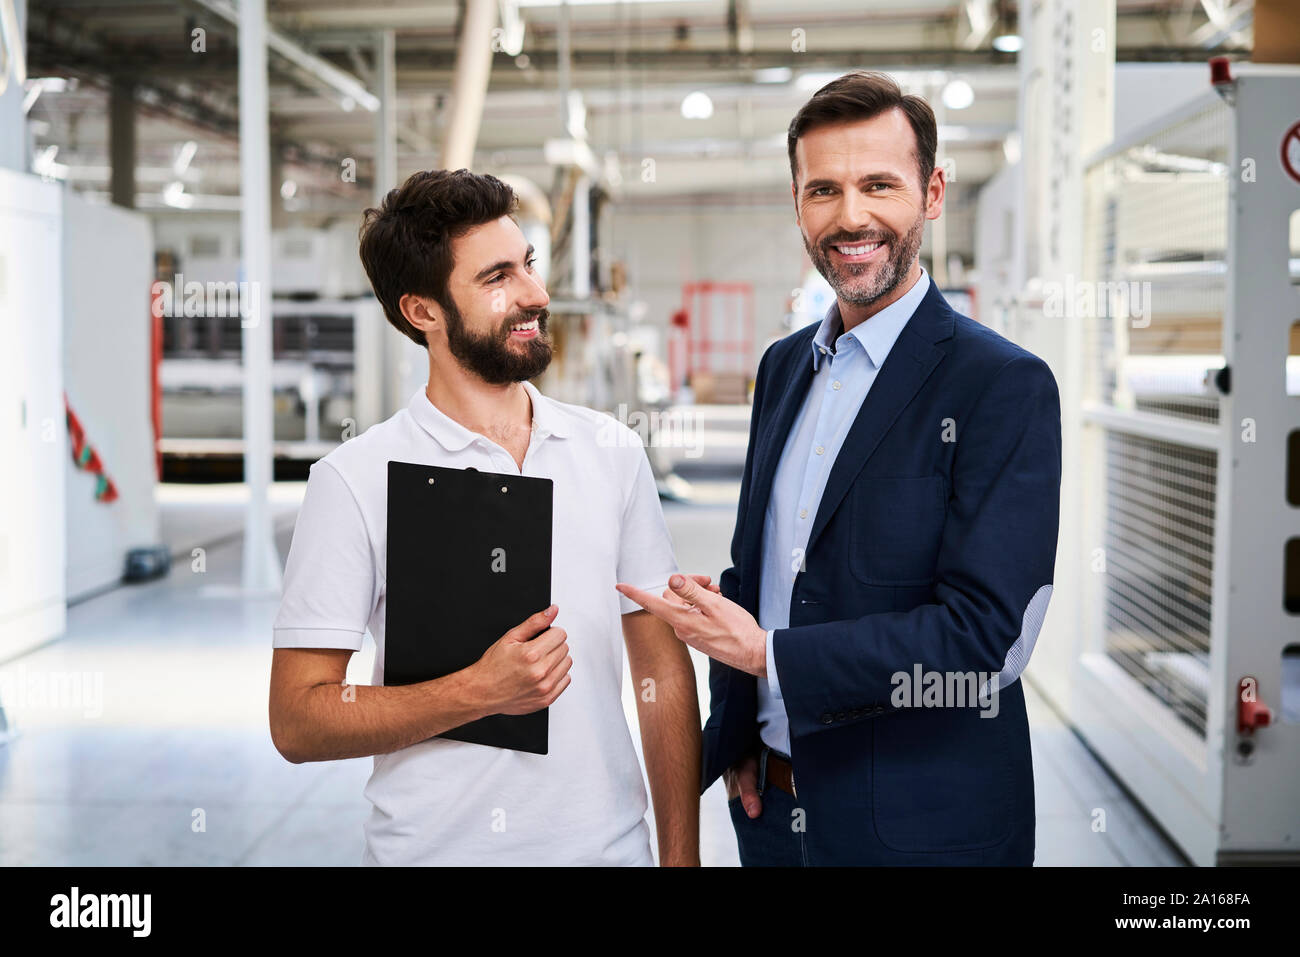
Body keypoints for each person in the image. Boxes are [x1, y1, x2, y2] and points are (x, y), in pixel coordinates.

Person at [617, 72, 1061, 865]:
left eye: (878, 185)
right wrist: (738, 730)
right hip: (775, 810)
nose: (850, 216)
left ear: (931, 193)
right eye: (823, 189)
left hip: (923, 832)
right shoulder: (785, 369)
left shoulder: (1000, 385)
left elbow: (987, 640)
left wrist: (769, 658)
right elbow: (755, 576)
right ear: (796, 201)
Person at [270, 169, 701, 866]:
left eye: (528, 264)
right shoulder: (354, 480)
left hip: (608, 851)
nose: (535, 293)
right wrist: (478, 690)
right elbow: (296, 718)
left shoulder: (612, 452)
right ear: (423, 311)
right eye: (498, 276)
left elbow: (661, 669)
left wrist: (682, 860)